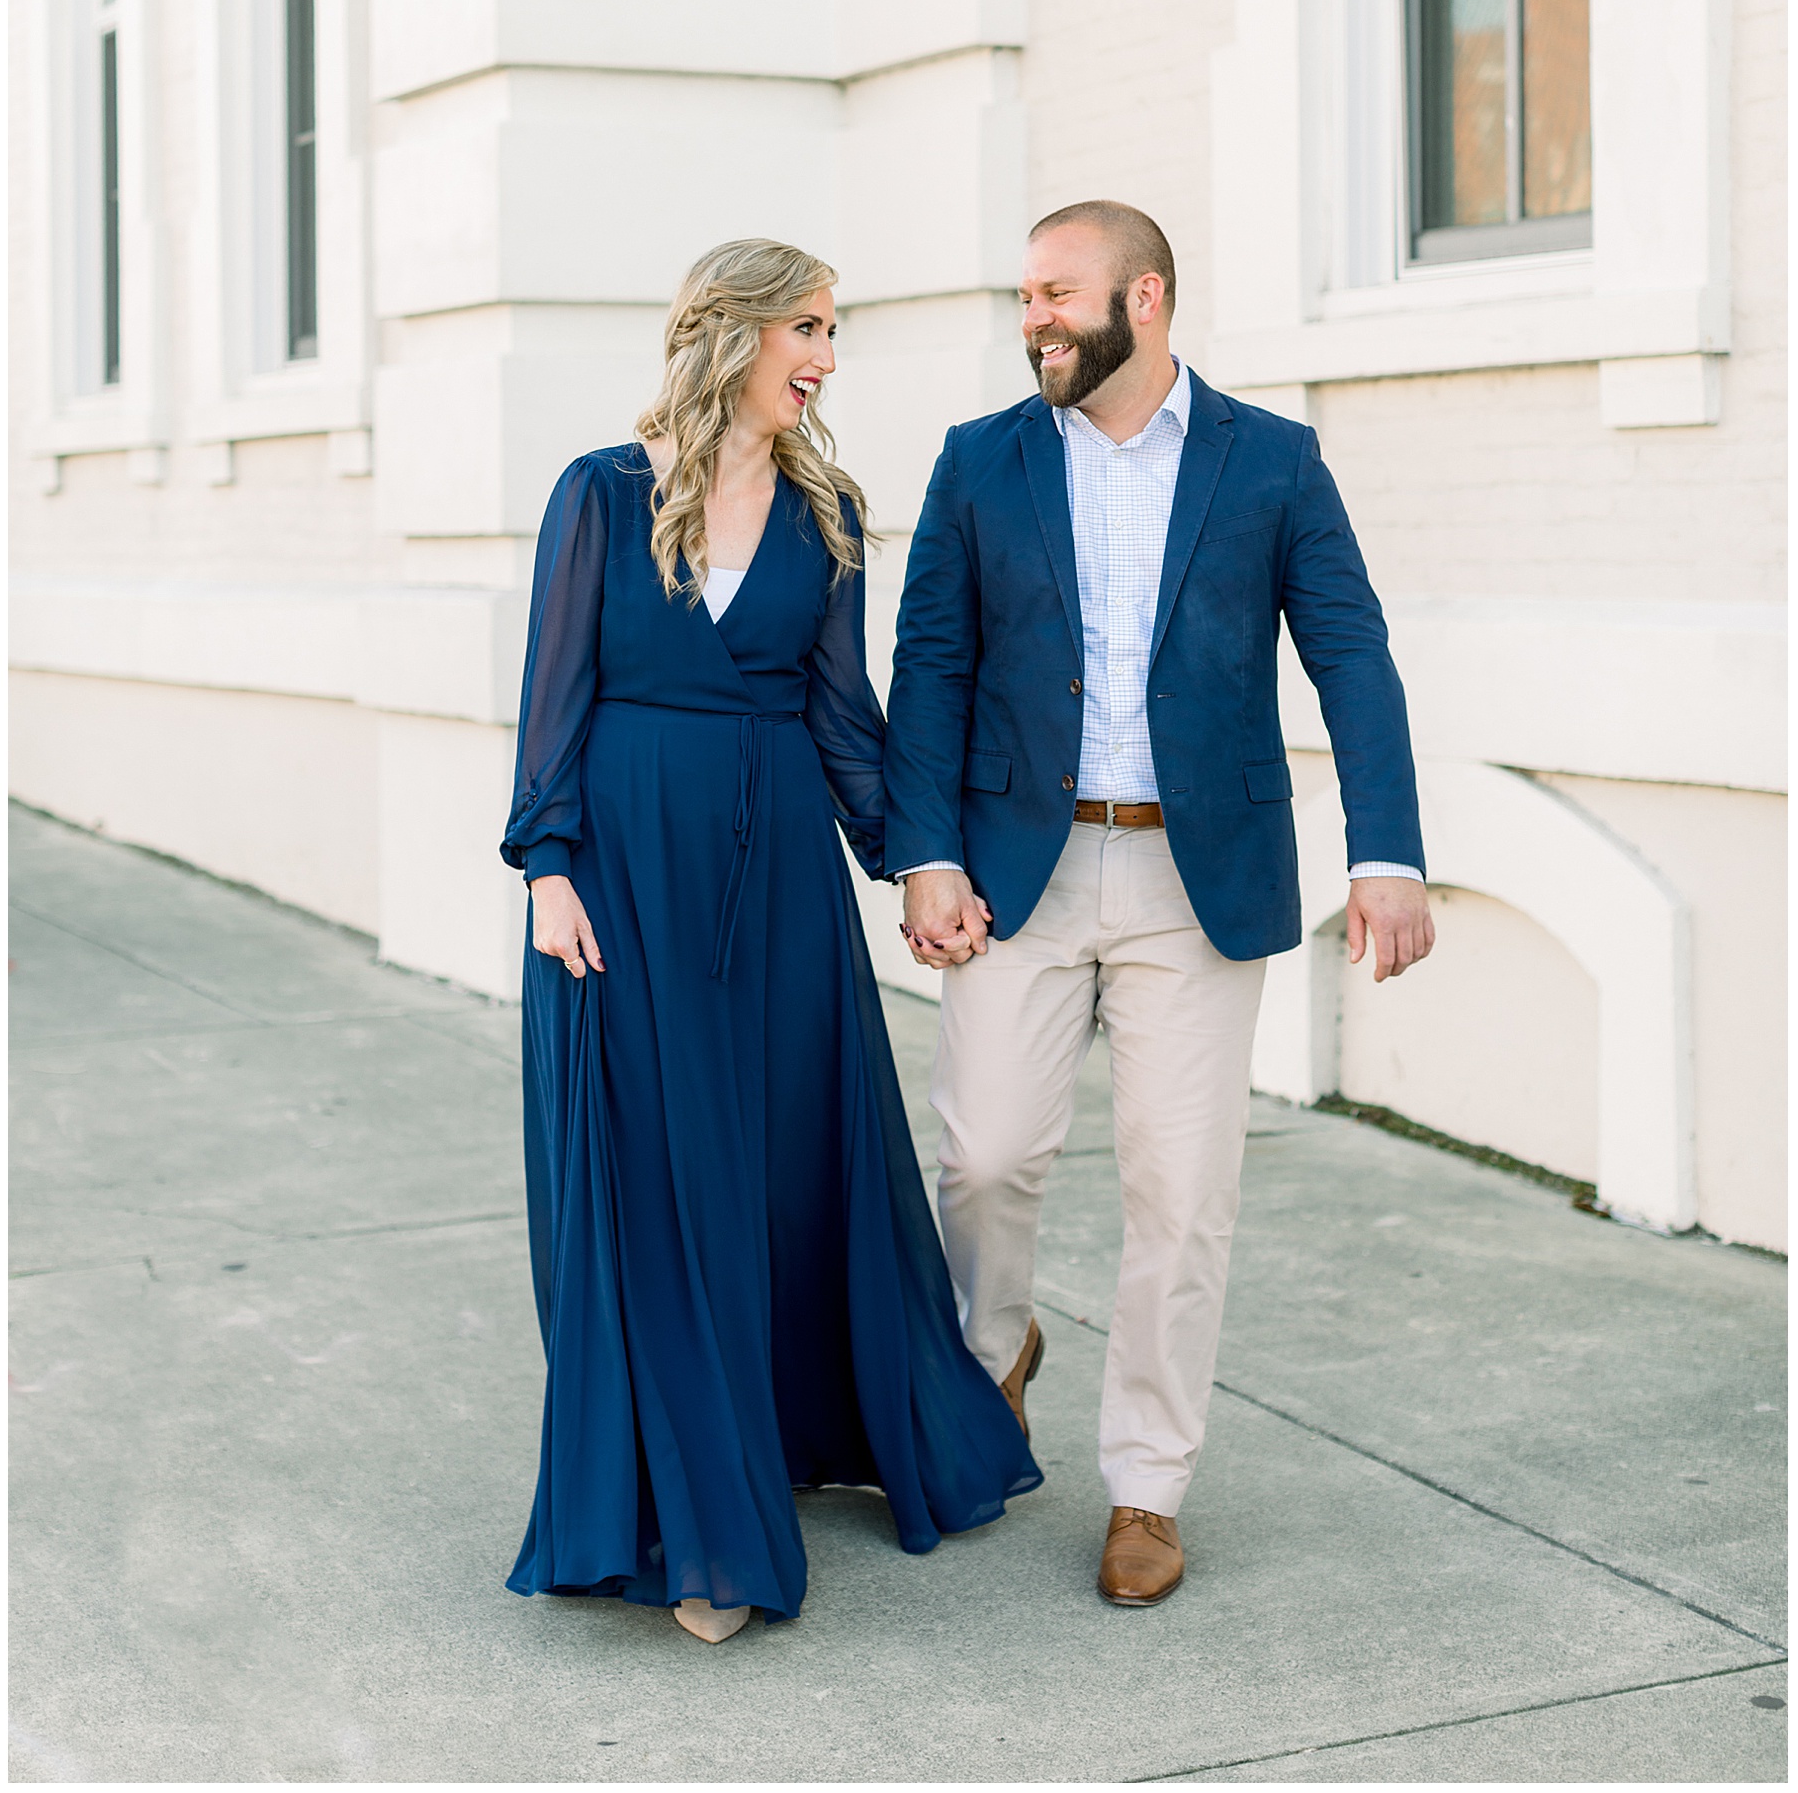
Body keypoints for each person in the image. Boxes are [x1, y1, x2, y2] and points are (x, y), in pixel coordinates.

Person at [884, 200, 1431, 1609]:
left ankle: (1146, 1481)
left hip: (1202, 882)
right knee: (989, 1154)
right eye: (1022, 296)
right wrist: (923, 848)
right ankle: (989, 1360)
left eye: (1057, 292)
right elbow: (931, 661)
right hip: (1020, 868)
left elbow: (1352, 654)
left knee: (1180, 1194)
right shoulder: (979, 462)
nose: (1033, 318)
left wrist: (1388, 849)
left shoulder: (1273, 463)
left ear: (1147, 296)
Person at [499, 237, 1039, 1645]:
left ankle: (792, 1443)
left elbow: (839, 716)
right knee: (657, 1188)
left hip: (780, 886)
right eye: (809, 323)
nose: (828, 353)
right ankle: (701, 1529)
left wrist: (916, 866)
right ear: (731, 332)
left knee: (785, 1172)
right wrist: (548, 867)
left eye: (833, 327)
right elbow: (553, 692)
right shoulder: (602, 497)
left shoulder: (828, 512)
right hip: (624, 881)